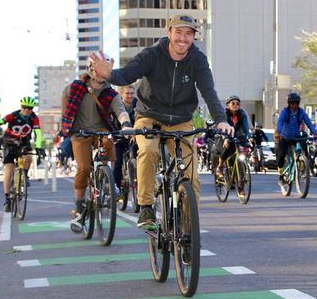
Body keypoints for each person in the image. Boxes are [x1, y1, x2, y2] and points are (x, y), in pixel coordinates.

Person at [89, 13, 233, 230]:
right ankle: (146, 206)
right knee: (148, 152)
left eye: (189, 34)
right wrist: (110, 75)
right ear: (169, 33)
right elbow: (127, 75)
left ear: (193, 37)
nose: (183, 38)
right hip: (149, 115)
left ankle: (188, 229)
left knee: (191, 174)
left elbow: (208, 92)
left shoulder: (197, 59)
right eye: (178, 32)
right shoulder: (152, 54)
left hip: (182, 120)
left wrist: (222, 120)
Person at [61, 53, 132, 229]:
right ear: (91, 70)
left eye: (105, 70)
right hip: (80, 132)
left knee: (110, 145)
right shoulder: (75, 88)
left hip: (101, 131)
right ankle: (78, 209)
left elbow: (121, 111)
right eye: (98, 69)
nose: (102, 73)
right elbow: (65, 108)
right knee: (84, 167)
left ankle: (108, 182)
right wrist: (67, 129)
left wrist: (125, 124)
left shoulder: (111, 93)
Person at [0, 97, 44, 212]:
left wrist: (38, 147)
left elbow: (38, 132)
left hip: (24, 143)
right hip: (10, 142)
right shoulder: (14, 115)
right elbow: (1, 121)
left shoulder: (34, 118)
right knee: (9, 171)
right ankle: (7, 199)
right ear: (21, 107)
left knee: (29, 157)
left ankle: (25, 176)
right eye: (24, 108)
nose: (27, 110)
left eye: (30, 108)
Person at [274, 92, 317, 184]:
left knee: (304, 147)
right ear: (289, 103)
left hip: (296, 137)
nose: (294, 105)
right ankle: (280, 175)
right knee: (281, 155)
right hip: (284, 137)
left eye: (296, 103)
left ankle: (303, 165)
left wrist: (315, 133)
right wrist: (278, 133)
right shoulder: (285, 111)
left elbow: (308, 122)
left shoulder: (301, 112)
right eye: (292, 103)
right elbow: (280, 122)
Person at [213, 95, 250, 177]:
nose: (235, 105)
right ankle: (220, 166)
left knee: (241, 154)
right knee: (226, 149)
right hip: (223, 136)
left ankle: (239, 179)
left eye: (237, 103)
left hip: (235, 137)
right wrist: (226, 138)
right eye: (233, 103)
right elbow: (223, 128)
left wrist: (249, 137)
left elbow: (245, 128)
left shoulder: (242, 114)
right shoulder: (224, 114)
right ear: (227, 105)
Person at [113, 84, 137, 194]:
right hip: (119, 138)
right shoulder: (117, 105)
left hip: (134, 138)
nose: (130, 96)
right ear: (121, 94)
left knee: (142, 156)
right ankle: (117, 189)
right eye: (127, 93)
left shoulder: (138, 104)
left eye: (132, 93)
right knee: (117, 161)